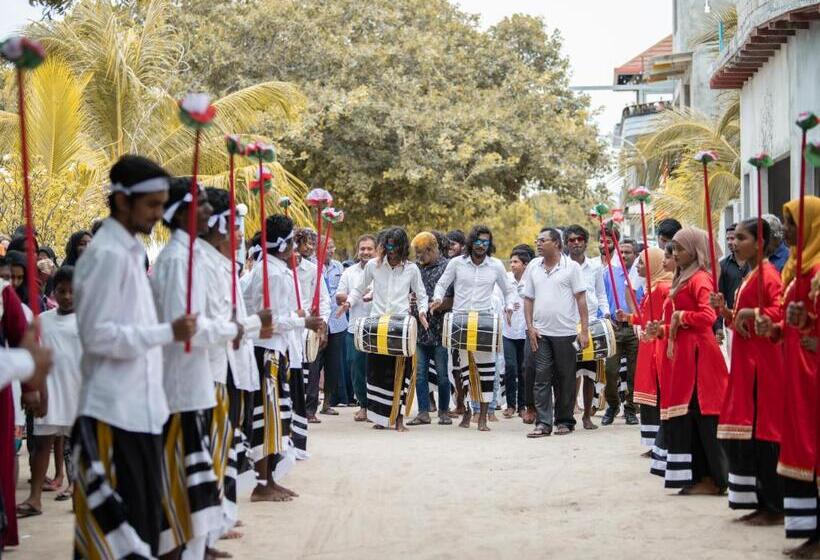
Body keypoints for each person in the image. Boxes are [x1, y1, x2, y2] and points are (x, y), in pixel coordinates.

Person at [71, 155, 198, 559]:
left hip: (141, 415)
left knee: (145, 534)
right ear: (123, 201)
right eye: (152, 205)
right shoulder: (106, 254)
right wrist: (168, 332)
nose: (160, 215)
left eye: (164, 205)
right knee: (115, 543)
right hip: (111, 415)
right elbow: (98, 336)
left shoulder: (129, 251)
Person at [152, 179, 244, 558]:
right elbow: (184, 327)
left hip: (200, 381)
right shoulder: (177, 259)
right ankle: (176, 548)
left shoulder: (192, 256)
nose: (208, 212)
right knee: (179, 470)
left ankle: (196, 544)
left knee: (198, 466)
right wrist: (237, 328)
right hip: (182, 382)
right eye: (201, 204)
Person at [199, 187, 273, 544]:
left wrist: (250, 324)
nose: (241, 232)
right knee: (212, 443)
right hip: (210, 366)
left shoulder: (224, 265)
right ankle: (211, 517)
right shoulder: (197, 264)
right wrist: (256, 323)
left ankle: (222, 511)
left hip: (231, 361)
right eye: (235, 225)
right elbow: (209, 323)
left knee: (226, 439)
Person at [244, 214, 324, 500]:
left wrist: (298, 316)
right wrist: (303, 322)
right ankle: (262, 484)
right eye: (292, 239)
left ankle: (270, 479)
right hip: (268, 350)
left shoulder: (277, 268)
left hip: (279, 349)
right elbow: (271, 320)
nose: (296, 244)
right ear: (283, 243)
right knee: (268, 416)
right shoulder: (272, 272)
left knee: (277, 416)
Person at [711, 218, 784, 524]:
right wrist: (726, 311)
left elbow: (778, 314)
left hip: (763, 366)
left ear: (760, 243)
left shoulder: (768, 275)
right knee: (749, 433)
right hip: (746, 363)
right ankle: (760, 500)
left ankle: (775, 506)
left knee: (764, 433)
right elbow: (740, 325)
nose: (734, 242)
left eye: (741, 238)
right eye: (734, 237)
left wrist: (748, 312)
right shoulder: (749, 275)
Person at [757, 197, 819, 557]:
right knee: (800, 444)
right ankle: (809, 530)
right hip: (796, 368)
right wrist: (780, 327)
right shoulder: (797, 268)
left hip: (814, 370)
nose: (788, 229)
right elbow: (799, 321)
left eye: (793, 222)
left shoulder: (818, 269)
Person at [338, 227, 429, 432]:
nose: (391, 250)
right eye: (387, 245)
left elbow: (421, 294)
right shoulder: (373, 266)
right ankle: (380, 417)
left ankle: (398, 419)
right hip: (378, 325)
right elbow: (359, 288)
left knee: (399, 372)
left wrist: (422, 311)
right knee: (377, 372)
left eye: (395, 246)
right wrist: (349, 303)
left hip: (400, 327)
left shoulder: (412, 269)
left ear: (402, 247)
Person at [660, 227, 729, 495]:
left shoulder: (700, 278)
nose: (675, 253)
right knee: (690, 417)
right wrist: (665, 330)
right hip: (687, 354)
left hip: (701, 356)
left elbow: (708, 317)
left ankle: (715, 478)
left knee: (703, 415)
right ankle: (700, 476)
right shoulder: (683, 277)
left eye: (680, 248)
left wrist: (681, 318)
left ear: (696, 250)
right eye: (673, 248)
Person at [431, 225, 513, 432]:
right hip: (460, 322)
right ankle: (467, 409)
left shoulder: (495, 266)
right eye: (477, 241)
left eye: (485, 242)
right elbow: (441, 284)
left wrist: (509, 306)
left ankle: (483, 416)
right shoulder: (457, 264)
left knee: (486, 370)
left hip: (485, 322)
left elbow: (509, 291)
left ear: (489, 244)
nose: (481, 245)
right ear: (471, 242)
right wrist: (438, 298)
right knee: (464, 372)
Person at [17, 266, 80, 519]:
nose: (66, 296)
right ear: (53, 292)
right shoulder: (42, 321)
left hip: (78, 392)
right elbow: (35, 357)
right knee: (42, 446)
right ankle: (35, 498)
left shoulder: (87, 319)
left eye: (72, 292)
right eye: (61, 291)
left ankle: (79, 497)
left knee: (78, 449)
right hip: (50, 393)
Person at [522, 227, 588, 438]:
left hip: (566, 333)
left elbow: (581, 299)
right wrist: (530, 327)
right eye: (537, 240)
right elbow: (528, 299)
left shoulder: (572, 268)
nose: (538, 243)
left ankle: (564, 421)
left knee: (565, 378)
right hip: (541, 334)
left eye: (543, 240)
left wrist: (584, 330)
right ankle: (543, 423)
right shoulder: (533, 266)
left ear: (557, 243)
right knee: (541, 377)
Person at [623, 248, 674, 456]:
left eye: (642, 263)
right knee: (651, 396)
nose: (637, 266)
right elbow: (646, 317)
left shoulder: (663, 287)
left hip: (656, 345)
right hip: (649, 343)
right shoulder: (652, 287)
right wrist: (628, 317)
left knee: (658, 395)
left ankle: (662, 444)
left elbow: (665, 317)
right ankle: (656, 444)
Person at [564, 225, 608, 430]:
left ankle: (587, 417)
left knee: (589, 373)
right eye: (571, 240)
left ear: (585, 242)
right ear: (566, 243)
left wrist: (606, 314)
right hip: (566, 326)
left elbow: (601, 294)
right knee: (569, 372)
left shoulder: (595, 267)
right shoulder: (561, 266)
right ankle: (570, 412)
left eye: (579, 239)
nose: (575, 243)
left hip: (590, 326)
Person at [408, 232, 452, 426]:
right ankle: (423, 412)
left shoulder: (448, 267)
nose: (418, 257)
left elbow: (453, 298)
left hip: (441, 329)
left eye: (421, 253)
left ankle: (444, 411)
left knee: (442, 374)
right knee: (420, 374)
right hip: (419, 330)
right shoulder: (416, 269)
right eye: (416, 253)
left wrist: (437, 305)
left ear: (432, 249)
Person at [600, 226, 642, 426]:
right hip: (615, 327)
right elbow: (603, 298)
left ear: (635, 255)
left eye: (628, 252)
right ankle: (612, 404)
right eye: (621, 252)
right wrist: (606, 318)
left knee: (634, 372)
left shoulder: (642, 273)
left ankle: (631, 408)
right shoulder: (608, 273)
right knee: (610, 370)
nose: (624, 255)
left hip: (635, 327)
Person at [336, 234, 376, 422]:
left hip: (377, 327)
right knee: (356, 367)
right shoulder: (349, 272)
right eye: (363, 249)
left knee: (376, 369)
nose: (366, 252)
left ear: (376, 250)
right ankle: (363, 406)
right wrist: (358, 294)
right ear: (358, 251)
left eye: (369, 248)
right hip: (354, 328)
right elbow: (339, 296)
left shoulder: (382, 270)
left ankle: (377, 407)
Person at [502, 247, 532, 419]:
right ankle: (510, 405)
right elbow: (498, 298)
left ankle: (523, 406)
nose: (512, 265)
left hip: (526, 332)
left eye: (516, 262)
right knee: (511, 367)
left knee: (524, 369)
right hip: (508, 332)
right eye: (511, 261)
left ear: (525, 265)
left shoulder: (530, 282)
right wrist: (507, 308)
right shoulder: (505, 280)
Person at [319, 237, 347, 411]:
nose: (330, 250)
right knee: (316, 362)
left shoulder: (338, 266)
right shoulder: (312, 266)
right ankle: (310, 401)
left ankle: (327, 403)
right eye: (326, 247)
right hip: (319, 321)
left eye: (332, 246)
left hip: (337, 321)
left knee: (333, 364)